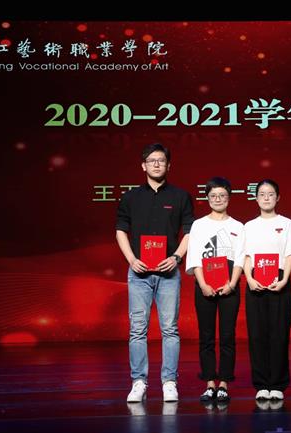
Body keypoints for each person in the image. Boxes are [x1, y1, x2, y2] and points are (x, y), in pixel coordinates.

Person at [115, 143, 194, 403]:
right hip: (138, 272)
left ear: (169, 165)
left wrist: (176, 257)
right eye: (152, 160)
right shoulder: (130, 197)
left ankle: (169, 382)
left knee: (170, 329)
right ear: (143, 165)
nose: (156, 164)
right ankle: (139, 382)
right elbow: (120, 230)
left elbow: (189, 231)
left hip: (168, 272)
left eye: (161, 160)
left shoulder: (181, 196)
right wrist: (131, 259)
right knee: (137, 329)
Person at [185, 177, 245, 404]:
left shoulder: (238, 226)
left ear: (229, 197)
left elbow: (240, 258)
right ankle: (210, 382)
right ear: (207, 198)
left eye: (222, 195)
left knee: (228, 335)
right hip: (204, 284)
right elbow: (194, 256)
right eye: (213, 196)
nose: (218, 199)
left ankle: (224, 383)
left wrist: (232, 284)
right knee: (207, 336)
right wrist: (203, 284)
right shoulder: (199, 225)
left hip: (230, 284)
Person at [243, 179, 291, 402]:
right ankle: (261, 384)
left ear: (278, 198)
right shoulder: (249, 226)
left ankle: (277, 384)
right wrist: (249, 279)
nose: (266, 198)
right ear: (256, 198)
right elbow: (246, 256)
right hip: (255, 282)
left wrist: (284, 279)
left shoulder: (287, 224)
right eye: (262, 194)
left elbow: (290, 254)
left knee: (279, 335)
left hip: (279, 282)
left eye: (271, 194)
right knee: (257, 335)